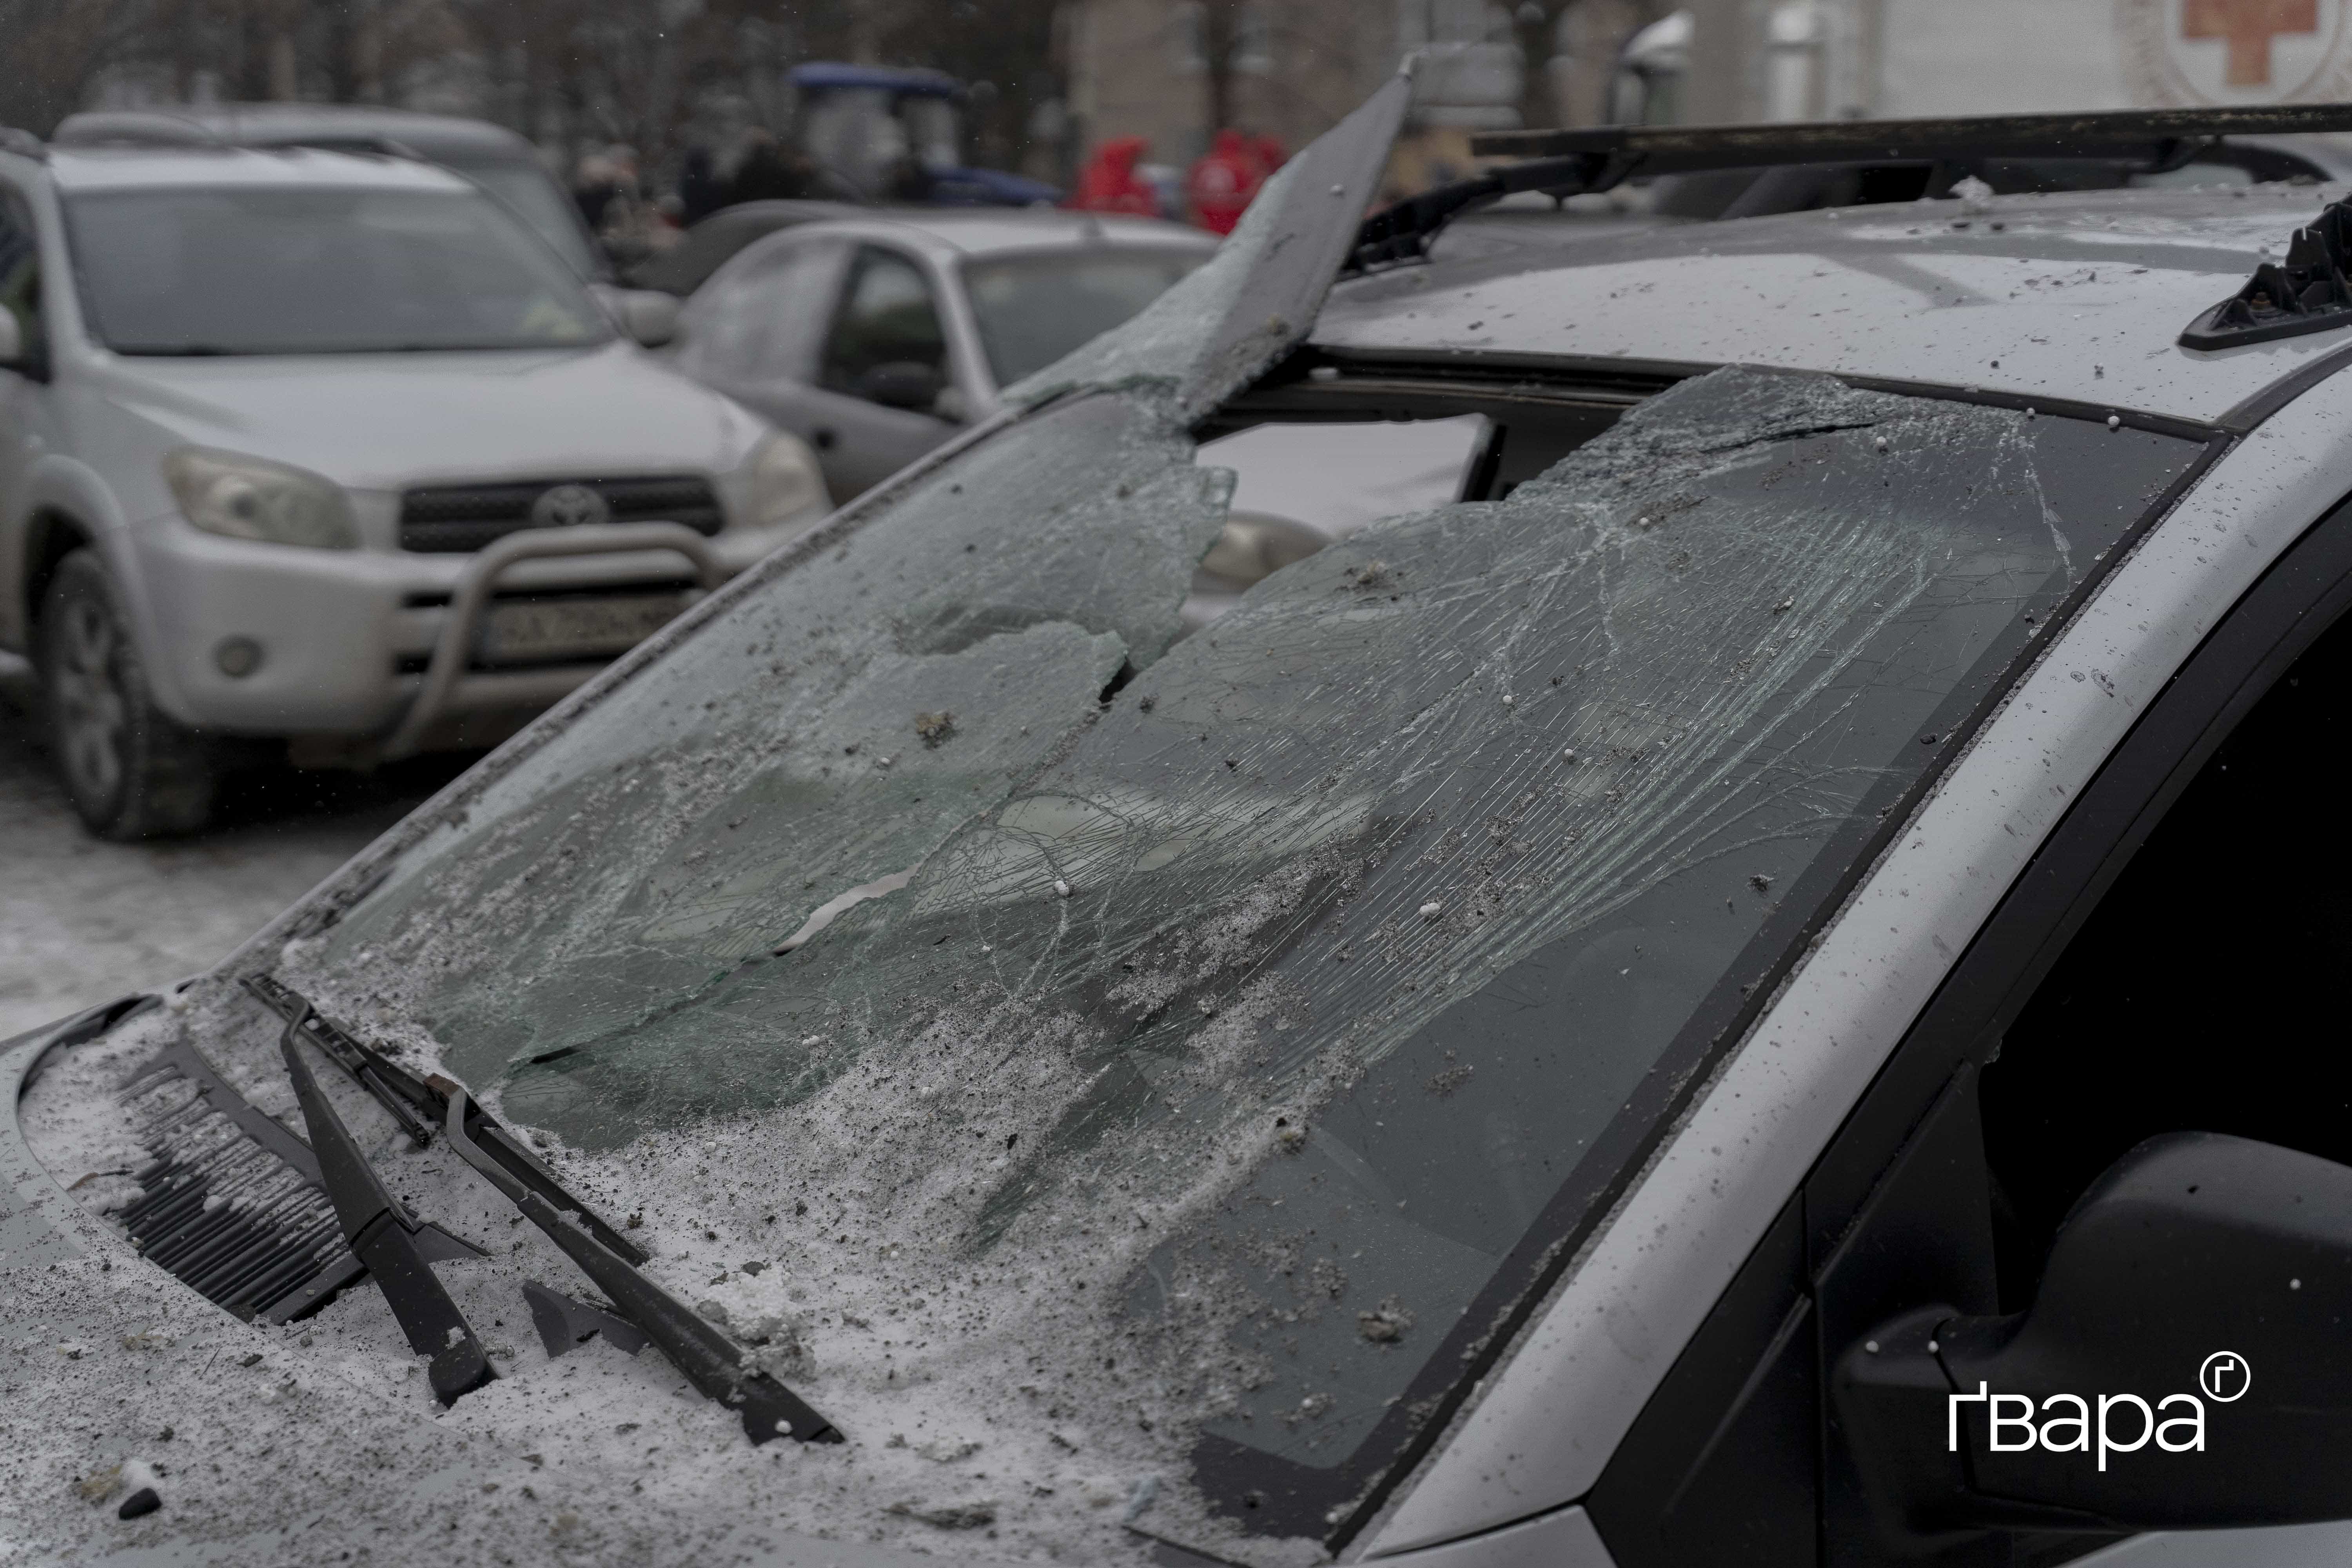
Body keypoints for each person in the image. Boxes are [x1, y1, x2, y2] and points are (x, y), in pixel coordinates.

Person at [1185, 127, 1266, 235]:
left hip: (1206, 226)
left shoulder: (1203, 165)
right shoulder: (1243, 167)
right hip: (1232, 227)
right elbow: (1251, 196)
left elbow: (1190, 194)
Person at [1066, 135, 1158, 216]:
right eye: (1134, 157)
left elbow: (1147, 209)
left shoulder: (1133, 180)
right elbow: (1095, 205)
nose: (1136, 162)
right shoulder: (1100, 177)